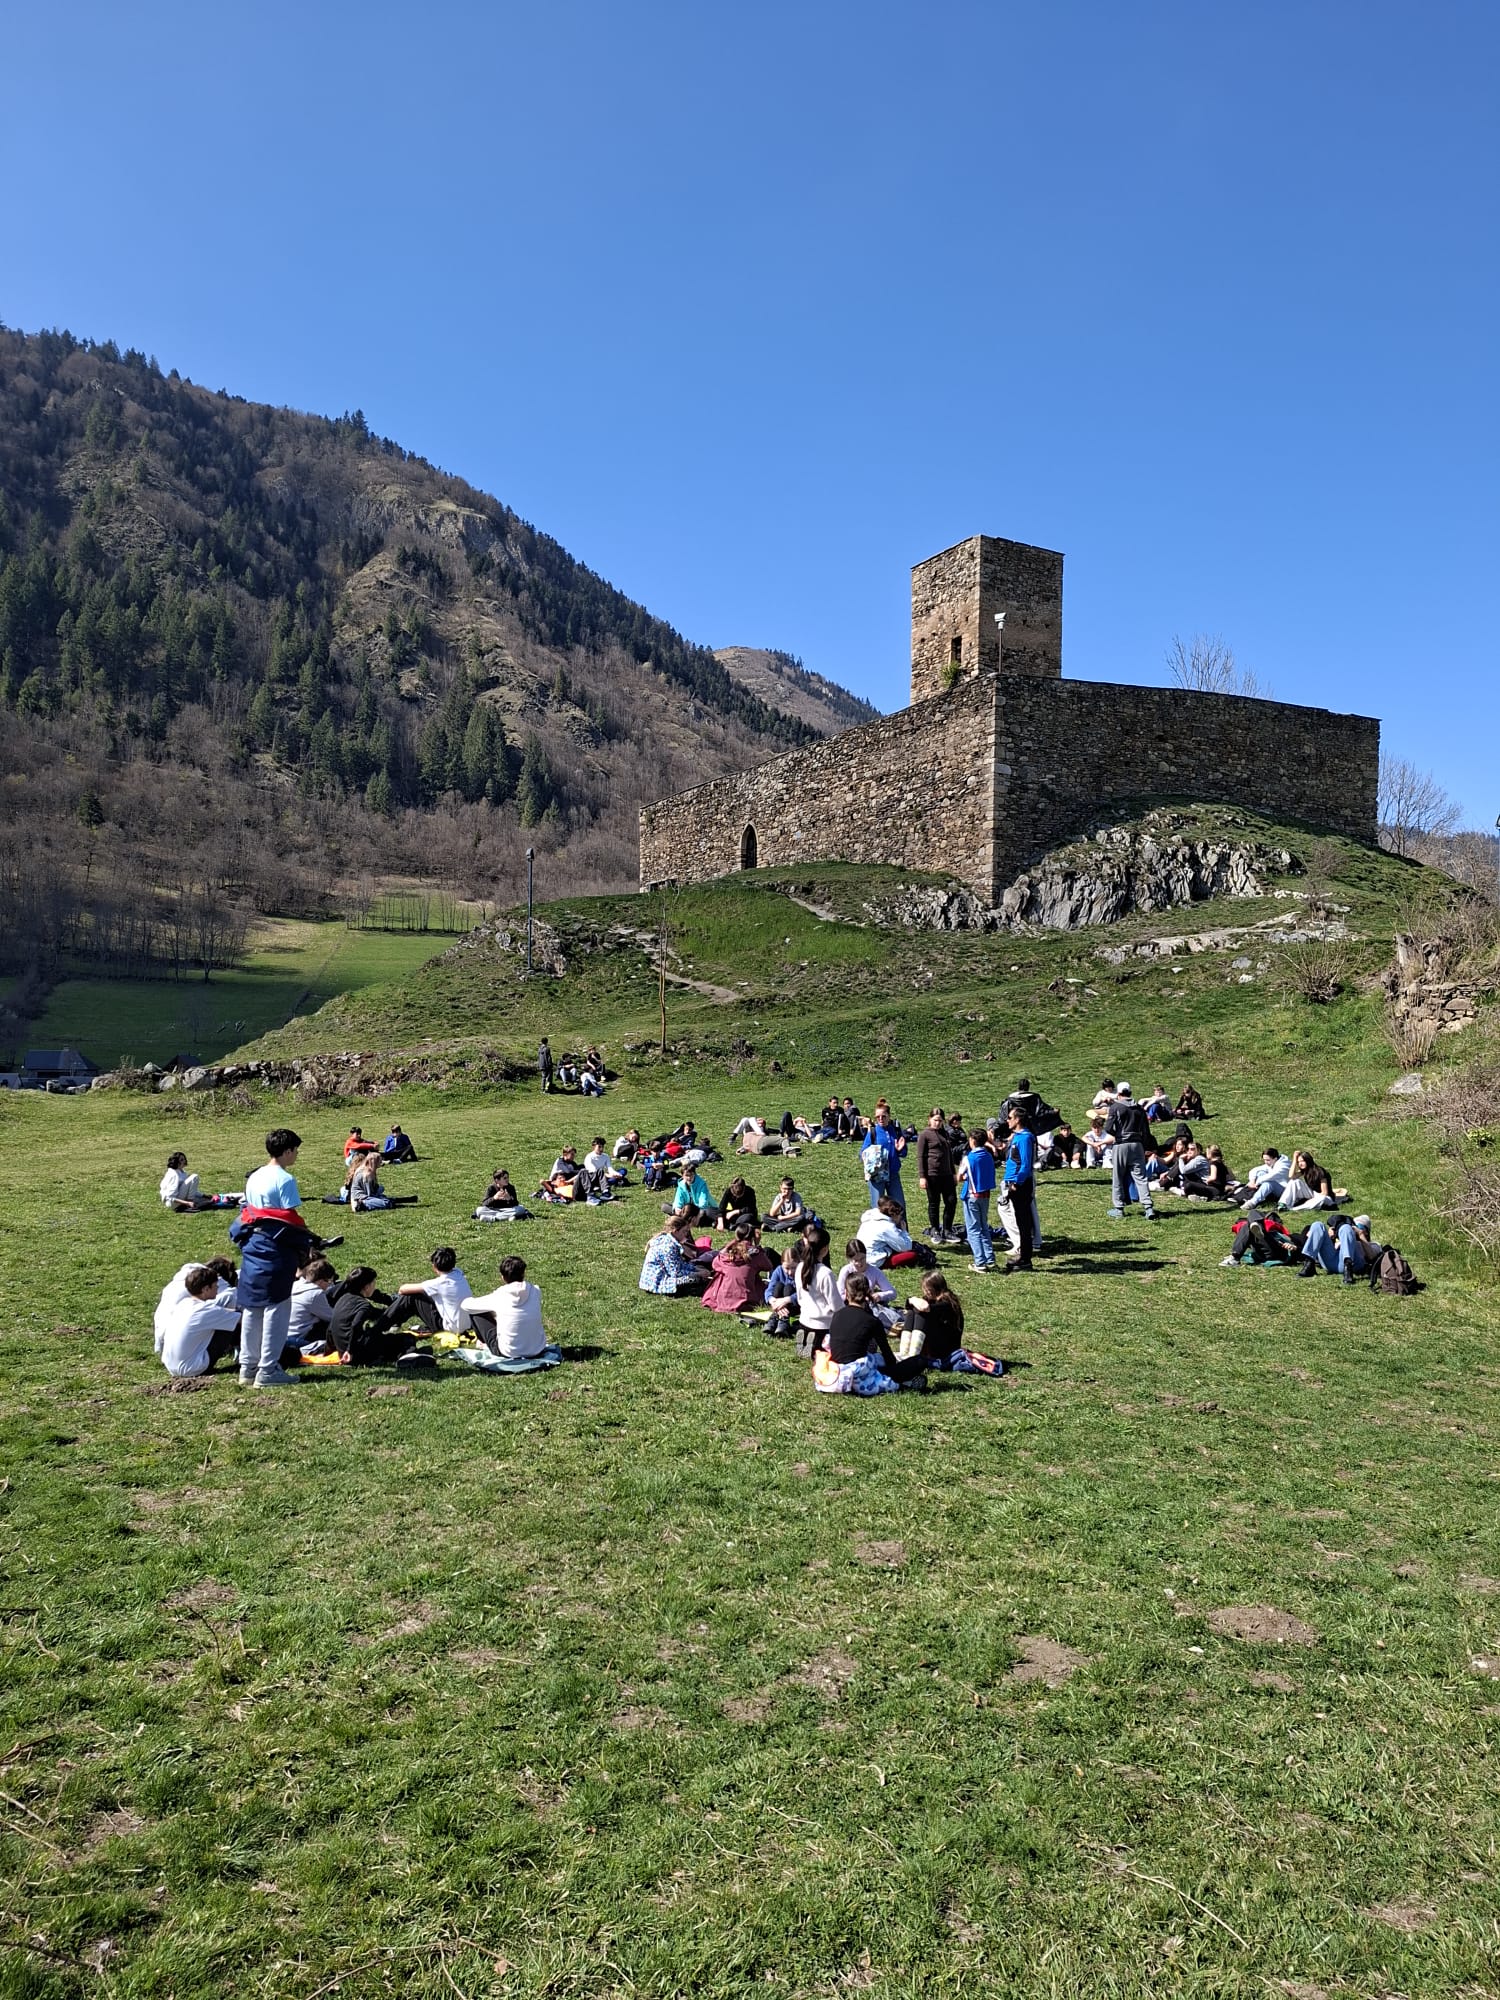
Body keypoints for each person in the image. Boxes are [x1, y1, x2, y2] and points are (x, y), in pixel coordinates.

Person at [231, 1127, 321, 1388]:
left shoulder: (255, 1175)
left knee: (252, 1308)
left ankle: (247, 1367)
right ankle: (268, 1369)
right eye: (296, 1150)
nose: (297, 1155)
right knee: (277, 1309)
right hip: (277, 1247)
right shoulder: (285, 1179)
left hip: (253, 1245)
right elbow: (289, 1218)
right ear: (288, 1150)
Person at [811, 1272, 926, 1396]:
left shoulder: (837, 1315)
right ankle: (904, 1381)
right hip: (861, 1377)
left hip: (835, 1372)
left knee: (875, 1359)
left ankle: (903, 1381)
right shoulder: (872, 1321)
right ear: (868, 1292)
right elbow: (889, 1357)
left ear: (846, 1293)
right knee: (920, 1361)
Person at [326, 1267, 430, 1365]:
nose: (374, 1286)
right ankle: (410, 1358)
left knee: (386, 1340)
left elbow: (331, 1326)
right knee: (407, 1338)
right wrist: (350, 1351)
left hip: (343, 1352)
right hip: (356, 1355)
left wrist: (329, 1349)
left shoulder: (343, 1299)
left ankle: (405, 1354)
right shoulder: (363, 1305)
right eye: (373, 1283)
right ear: (367, 1287)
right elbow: (356, 1325)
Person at [159, 1266, 242, 1379]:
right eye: (215, 1285)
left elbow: (219, 1312)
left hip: (171, 1367)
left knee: (227, 1318)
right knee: (233, 1324)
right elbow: (243, 1319)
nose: (218, 1287)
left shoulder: (183, 1304)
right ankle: (247, 1358)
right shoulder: (206, 1310)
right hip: (192, 1368)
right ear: (205, 1289)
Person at [462, 1254, 549, 1360]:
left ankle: (484, 1343)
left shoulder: (500, 1295)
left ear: (503, 1277)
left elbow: (466, 1306)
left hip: (509, 1352)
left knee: (476, 1313)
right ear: (523, 1273)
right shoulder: (535, 1290)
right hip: (537, 1349)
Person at [899, 1270, 980, 1373]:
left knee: (921, 1315)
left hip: (947, 1349)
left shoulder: (947, 1303)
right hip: (936, 1341)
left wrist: (913, 1300)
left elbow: (925, 1308)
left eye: (927, 1289)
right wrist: (911, 1300)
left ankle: (913, 1358)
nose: (925, 1292)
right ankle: (904, 1354)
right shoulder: (932, 1299)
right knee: (911, 1313)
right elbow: (911, 1307)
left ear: (935, 1287)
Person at [155, 1255, 236, 1355]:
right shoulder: (212, 1281)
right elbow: (233, 1294)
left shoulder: (185, 1278)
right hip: (185, 1350)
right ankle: (235, 1345)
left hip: (164, 1341)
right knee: (230, 1296)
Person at [1104, 1084, 1157, 1221]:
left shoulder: (1115, 1107)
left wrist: (1118, 1135)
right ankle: (1148, 1207)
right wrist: (1143, 1145)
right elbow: (1146, 1131)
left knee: (1118, 1176)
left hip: (1121, 1144)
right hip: (1137, 1145)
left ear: (1119, 1093)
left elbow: (1108, 1128)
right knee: (1141, 1178)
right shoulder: (1139, 1108)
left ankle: (1119, 1208)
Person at [394, 1247, 475, 1335]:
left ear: (434, 1266)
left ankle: (388, 1322)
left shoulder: (438, 1284)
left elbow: (403, 1289)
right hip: (468, 1324)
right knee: (426, 1294)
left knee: (413, 1297)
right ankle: (394, 1313)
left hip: (451, 1329)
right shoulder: (458, 1273)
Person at [998, 1102, 1037, 1272]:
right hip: (1013, 1183)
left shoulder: (1025, 1138)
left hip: (1019, 1185)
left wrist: (1016, 1183)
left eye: (1010, 1117)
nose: (1007, 1120)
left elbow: (1026, 1165)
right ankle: (1023, 1256)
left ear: (1018, 1119)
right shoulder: (1017, 1136)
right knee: (1020, 1220)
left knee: (1023, 1222)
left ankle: (1025, 1259)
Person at [792, 1227, 843, 1358]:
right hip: (823, 1325)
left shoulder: (799, 1267)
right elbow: (836, 1306)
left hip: (804, 1319)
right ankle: (817, 1346)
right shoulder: (825, 1273)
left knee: (808, 1342)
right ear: (825, 1249)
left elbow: (799, 1296)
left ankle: (805, 1344)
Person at [702, 1224, 775, 1314]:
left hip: (724, 1301)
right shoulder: (755, 1254)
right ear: (753, 1237)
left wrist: (728, 1245)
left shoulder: (727, 1256)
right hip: (746, 1299)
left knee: (721, 1274)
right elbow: (768, 1266)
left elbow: (715, 1264)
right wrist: (757, 1245)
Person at [957, 1126, 998, 1274]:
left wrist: (966, 1177)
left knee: (973, 1229)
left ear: (973, 1141)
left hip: (972, 1196)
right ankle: (990, 1258)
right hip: (985, 1195)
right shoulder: (988, 1156)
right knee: (984, 1226)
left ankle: (980, 1262)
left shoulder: (968, 1158)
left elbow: (959, 1177)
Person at [639, 1217, 713, 1295]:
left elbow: (679, 1265)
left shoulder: (670, 1241)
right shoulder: (668, 1247)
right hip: (658, 1282)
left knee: (699, 1269)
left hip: (664, 1276)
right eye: (684, 1231)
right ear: (675, 1231)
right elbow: (675, 1273)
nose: (686, 1235)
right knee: (697, 1279)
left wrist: (696, 1270)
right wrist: (698, 1274)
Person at [1296, 1213, 1381, 1282]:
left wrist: (1360, 1235)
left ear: (1367, 1231)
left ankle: (1348, 1270)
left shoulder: (1373, 1244)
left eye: (1360, 1227)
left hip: (1354, 1264)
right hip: (1332, 1262)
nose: (1355, 1229)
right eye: (1354, 1226)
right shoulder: (1343, 1237)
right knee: (1317, 1225)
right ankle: (1309, 1264)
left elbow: (1372, 1256)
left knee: (1346, 1228)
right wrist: (1331, 1237)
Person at [916, 1108, 959, 1243]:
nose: (938, 1123)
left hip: (947, 1174)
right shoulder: (924, 1135)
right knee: (934, 1203)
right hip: (932, 1174)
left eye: (940, 1121)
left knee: (951, 1201)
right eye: (935, 1120)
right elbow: (920, 1156)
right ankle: (935, 1230)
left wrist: (953, 1173)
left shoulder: (945, 1133)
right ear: (929, 1119)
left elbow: (949, 1155)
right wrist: (922, 1176)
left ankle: (947, 1230)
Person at [837, 1238, 900, 1325]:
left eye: (862, 1258)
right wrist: (854, 1298)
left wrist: (879, 1296)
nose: (860, 1263)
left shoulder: (874, 1271)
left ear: (866, 1255)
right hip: (850, 1307)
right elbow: (839, 1295)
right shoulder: (846, 1271)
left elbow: (892, 1292)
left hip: (868, 1307)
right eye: (856, 1260)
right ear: (849, 1259)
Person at [287, 1256, 338, 1351]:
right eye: (329, 1281)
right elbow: (331, 1317)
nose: (330, 1285)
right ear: (321, 1281)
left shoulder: (295, 1285)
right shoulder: (315, 1294)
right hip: (297, 1338)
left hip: (283, 1335)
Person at [856, 1195, 914, 1267]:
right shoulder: (887, 1226)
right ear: (894, 1215)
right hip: (873, 1260)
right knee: (912, 1255)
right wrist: (904, 1231)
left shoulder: (870, 1217)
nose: (900, 1218)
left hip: (860, 1256)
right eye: (900, 1216)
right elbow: (906, 1247)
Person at [1281, 1150, 1346, 1211]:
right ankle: (1283, 1204)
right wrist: (1294, 1160)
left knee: (1321, 1198)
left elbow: (1325, 1193)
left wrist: (1312, 1199)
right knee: (1293, 1181)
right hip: (1313, 1193)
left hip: (1326, 1198)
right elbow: (1291, 1176)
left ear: (1308, 1160)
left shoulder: (1319, 1171)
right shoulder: (1304, 1171)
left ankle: (1293, 1209)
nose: (1300, 1164)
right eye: (1298, 1162)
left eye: (1302, 1161)